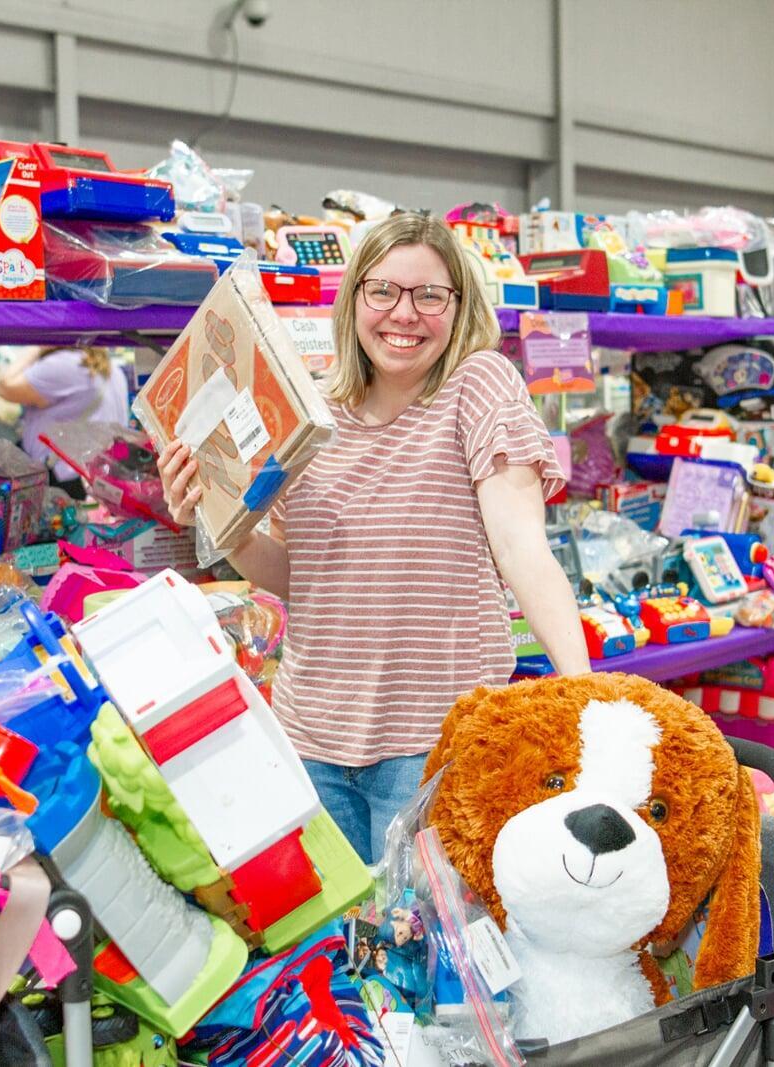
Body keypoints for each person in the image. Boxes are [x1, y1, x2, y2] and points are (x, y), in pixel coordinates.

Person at [158, 213, 589, 863]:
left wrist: (584, 689)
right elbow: (298, 578)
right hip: (310, 737)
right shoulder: (309, 413)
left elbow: (522, 547)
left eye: (429, 295)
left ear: (458, 306)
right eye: (383, 291)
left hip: (435, 743)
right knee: (337, 951)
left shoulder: (478, 386)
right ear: (354, 298)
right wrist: (212, 515)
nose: (404, 314)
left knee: (431, 950)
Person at [0, 346, 130, 495]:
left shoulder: (66, 364)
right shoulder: (113, 371)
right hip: (101, 477)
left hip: (65, 479)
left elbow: (5, 387)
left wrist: (37, 348)